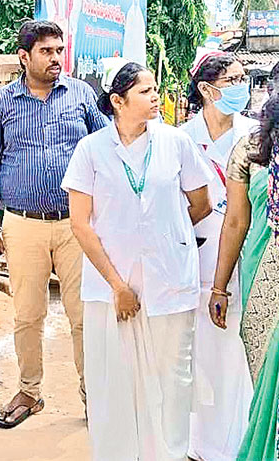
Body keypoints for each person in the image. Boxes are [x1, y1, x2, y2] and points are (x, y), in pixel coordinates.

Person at [61, 62, 213, 460]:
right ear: (117, 100)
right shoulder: (91, 150)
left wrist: (166, 235)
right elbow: (80, 224)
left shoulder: (176, 142)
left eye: (155, 89)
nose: (156, 97)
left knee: (174, 378)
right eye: (145, 91)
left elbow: (201, 203)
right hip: (111, 288)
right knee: (114, 380)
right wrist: (118, 285)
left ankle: (171, 454)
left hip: (169, 281)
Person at [0, 19, 107, 429]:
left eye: (59, 50)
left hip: (77, 226)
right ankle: (29, 392)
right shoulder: (2, 103)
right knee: (28, 315)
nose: (56, 58)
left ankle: (95, 398)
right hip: (23, 225)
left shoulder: (81, 95)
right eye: (46, 51)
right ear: (24, 56)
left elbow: (107, 147)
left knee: (83, 317)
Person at [181, 51, 255, 461]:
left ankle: (239, 440)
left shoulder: (255, 135)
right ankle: (198, 442)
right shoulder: (181, 139)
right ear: (207, 90)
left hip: (243, 255)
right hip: (195, 254)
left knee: (235, 352)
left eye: (244, 78)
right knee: (196, 353)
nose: (243, 87)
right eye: (233, 80)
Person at [209, 95, 279, 461]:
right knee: (268, 375)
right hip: (263, 272)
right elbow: (236, 221)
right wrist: (219, 286)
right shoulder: (251, 148)